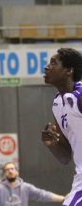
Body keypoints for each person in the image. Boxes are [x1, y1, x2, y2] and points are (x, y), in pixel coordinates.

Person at [42, 47, 82, 206]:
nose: (47, 67)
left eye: (53, 63)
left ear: (68, 71)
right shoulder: (57, 104)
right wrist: (51, 144)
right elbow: (65, 157)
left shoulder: (79, 96)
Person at [0, 162, 65, 206]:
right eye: (7, 170)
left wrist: (63, 199)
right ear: (4, 174)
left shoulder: (26, 187)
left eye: (12, 169)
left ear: (17, 172)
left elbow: (42, 195)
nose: (10, 171)